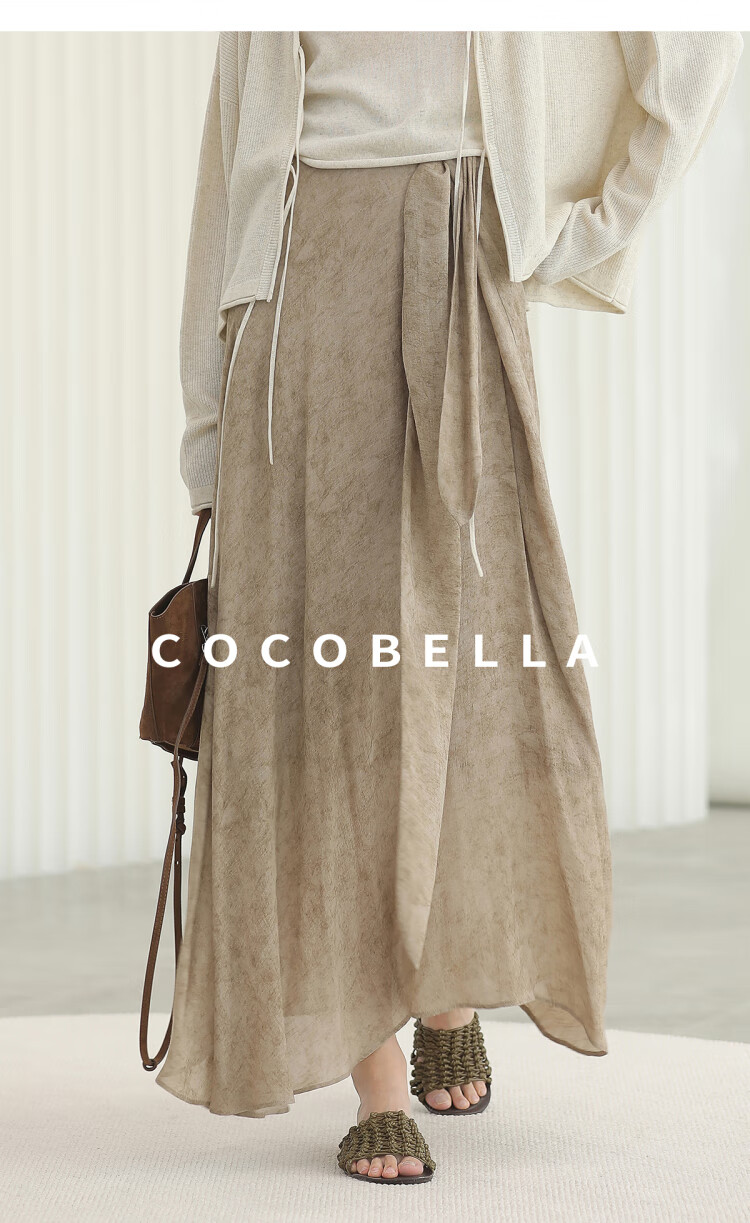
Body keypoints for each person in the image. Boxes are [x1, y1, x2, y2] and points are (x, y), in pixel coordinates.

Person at [155, 31, 742, 1183]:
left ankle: (448, 986)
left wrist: (584, 228)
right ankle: (374, 1064)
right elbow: (228, 172)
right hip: (300, 289)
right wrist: (207, 433)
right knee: (324, 695)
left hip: (464, 260)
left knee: (472, 671)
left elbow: (695, 45)